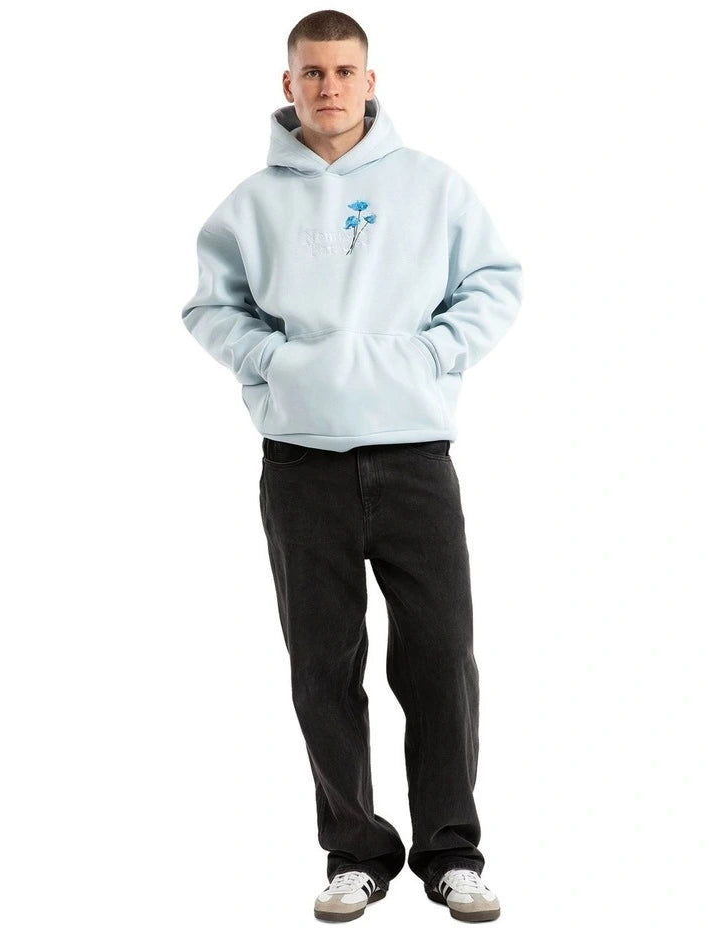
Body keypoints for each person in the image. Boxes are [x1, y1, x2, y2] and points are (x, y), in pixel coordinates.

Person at [181, 9, 522, 923]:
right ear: (287, 84)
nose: (328, 86)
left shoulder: (433, 186)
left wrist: (432, 356)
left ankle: (452, 853)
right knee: (322, 668)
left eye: (344, 71)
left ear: (371, 82)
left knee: (440, 660)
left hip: (414, 456)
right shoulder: (250, 205)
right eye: (312, 72)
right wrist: (276, 363)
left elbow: (495, 282)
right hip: (302, 465)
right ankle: (356, 853)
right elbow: (211, 308)